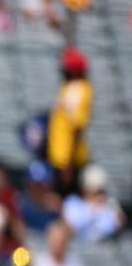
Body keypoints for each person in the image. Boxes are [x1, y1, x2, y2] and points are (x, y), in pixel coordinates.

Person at [48, 47, 92, 196]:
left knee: (69, 199)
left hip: (69, 160)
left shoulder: (80, 90)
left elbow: (77, 128)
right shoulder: (68, 87)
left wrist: (69, 164)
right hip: (60, 157)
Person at [62, 164, 125, 241]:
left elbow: (111, 228)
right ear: (85, 190)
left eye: (101, 192)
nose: (100, 196)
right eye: (96, 192)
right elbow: (73, 227)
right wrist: (93, 211)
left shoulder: (109, 206)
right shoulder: (72, 203)